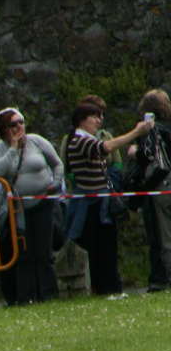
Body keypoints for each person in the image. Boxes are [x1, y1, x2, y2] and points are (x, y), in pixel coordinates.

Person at [64, 103, 151, 297]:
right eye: (94, 116)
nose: (98, 120)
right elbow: (108, 147)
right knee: (99, 249)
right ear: (82, 120)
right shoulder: (80, 140)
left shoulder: (86, 139)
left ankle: (109, 287)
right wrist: (136, 132)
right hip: (91, 204)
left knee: (107, 247)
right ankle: (105, 288)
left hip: (100, 201)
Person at [0, 108, 64, 305]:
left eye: (21, 122)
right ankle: (26, 296)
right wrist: (13, 147)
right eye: (13, 124)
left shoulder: (37, 141)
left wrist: (56, 182)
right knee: (23, 252)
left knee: (43, 251)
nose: (19, 127)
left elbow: (57, 163)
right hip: (17, 208)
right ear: (4, 129)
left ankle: (48, 294)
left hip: (43, 203)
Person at [134, 89, 171, 292]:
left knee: (163, 236)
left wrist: (134, 152)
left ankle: (163, 277)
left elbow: (147, 155)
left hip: (162, 185)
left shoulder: (151, 129)